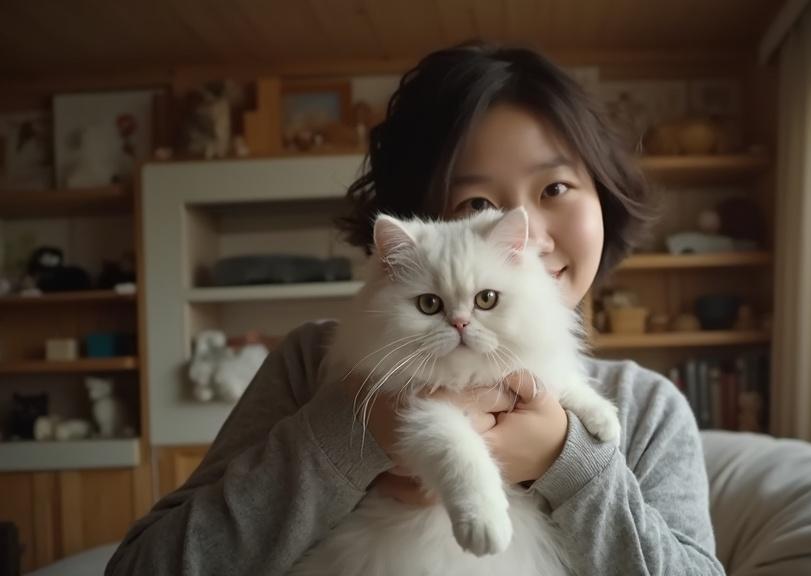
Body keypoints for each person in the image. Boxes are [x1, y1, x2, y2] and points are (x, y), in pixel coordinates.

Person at [106, 42, 725, 576]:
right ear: (419, 224)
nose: (528, 233)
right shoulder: (308, 365)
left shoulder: (645, 410)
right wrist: (351, 435)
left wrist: (573, 467)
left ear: (604, 197)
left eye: (555, 188)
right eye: (474, 200)